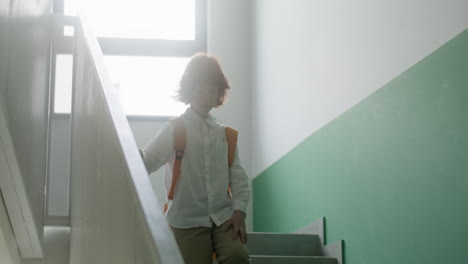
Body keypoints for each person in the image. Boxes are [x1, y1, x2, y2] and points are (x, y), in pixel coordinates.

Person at [139, 53, 251, 264]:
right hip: (185, 220)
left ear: (219, 94)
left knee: (239, 257)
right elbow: (148, 160)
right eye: (199, 91)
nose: (206, 97)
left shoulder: (226, 136)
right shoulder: (175, 129)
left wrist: (240, 211)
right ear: (189, 92)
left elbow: (238, 176)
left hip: (224, 218)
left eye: (212, 91)